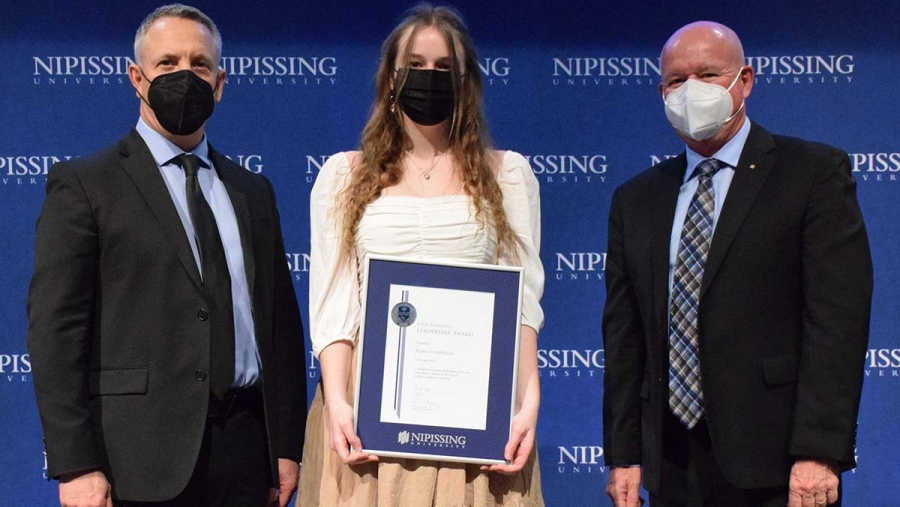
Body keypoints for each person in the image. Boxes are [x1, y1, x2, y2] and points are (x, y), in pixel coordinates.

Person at [27, 4, 306, 507]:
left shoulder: (252, 191)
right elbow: (56, 333)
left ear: (220, 82)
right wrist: (75, 464)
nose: (185, 76)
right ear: (137, 78)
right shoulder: (86, 185)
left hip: (245, 456)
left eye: (200, 64)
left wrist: (286, 447)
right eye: (168, 63)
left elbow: (280, 327)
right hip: (135, 459)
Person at [602, 21, 872, 507]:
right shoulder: (636, 199)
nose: (692, 91)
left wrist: (819, 450)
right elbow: (625, 337)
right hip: (672, 463)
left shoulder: (811, 173)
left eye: (708, 74)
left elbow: (837, 322)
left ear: (744, 81)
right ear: (662, 93)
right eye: (677, 80)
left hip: (779, 463)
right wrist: (624, 454)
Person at [299, 4, 544, 506]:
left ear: (465, 82)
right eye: (415, 66)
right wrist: (339, 402)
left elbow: (521, 305)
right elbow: (334, 304)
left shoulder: (508, 175)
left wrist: (528, 399)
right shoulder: (343, 176)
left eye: (444, 68)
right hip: (367, 419)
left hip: (476, 421)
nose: (428, 78)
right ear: (390, 77)